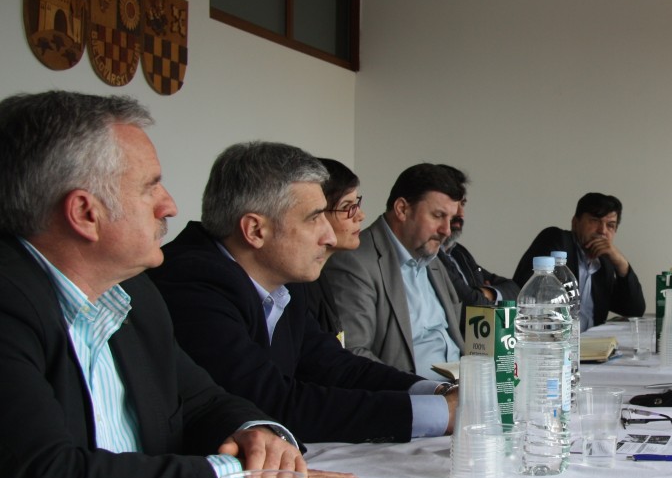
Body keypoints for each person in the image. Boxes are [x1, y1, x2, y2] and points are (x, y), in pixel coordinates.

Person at [0, 91, 356, 478]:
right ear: (85, 213)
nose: (168, 205)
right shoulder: (9, 301)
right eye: (150, 186)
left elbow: (201, 400)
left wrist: (254, 433)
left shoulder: (135, 293)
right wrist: (235, 477)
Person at [149, 144, 457, 443]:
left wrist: (438, 392)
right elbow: (269, 404)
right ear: (255, 230)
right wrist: (440, 413)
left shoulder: (283, 279)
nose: (329, 235)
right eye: (314, 218)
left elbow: (335, 366)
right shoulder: (190, 282)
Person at [323, 163, 465, 380]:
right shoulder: (354, 262)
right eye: (438, 216)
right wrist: (424, 389)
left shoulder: (432, 257)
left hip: (463, 384)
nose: (446, 230)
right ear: (402, 209)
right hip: (414, 392)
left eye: (451, 219)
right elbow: (354, 353)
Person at [513, 192, 645, 330]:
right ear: (575, 223)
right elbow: (529, 293)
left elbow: (634, 310)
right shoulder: (557, 240)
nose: (602, 230)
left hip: (593, 342)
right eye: (595, 220)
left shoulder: (604, 264)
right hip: (553, 339)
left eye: (610, 225)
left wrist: (621, 262)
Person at [435, 166, 520, 317]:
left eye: (462, 204)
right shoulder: (430, 255)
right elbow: (471, 306)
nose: (461, 213)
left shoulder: (459, 252)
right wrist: (483, 296)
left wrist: (488, 293)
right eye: (453, 204)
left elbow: (516, 290)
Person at [305, 158, 366, 346]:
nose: (360, 215)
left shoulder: (319, 275)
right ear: (317, 214)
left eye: (356, 204)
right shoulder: (299, 286)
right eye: (346, 207)